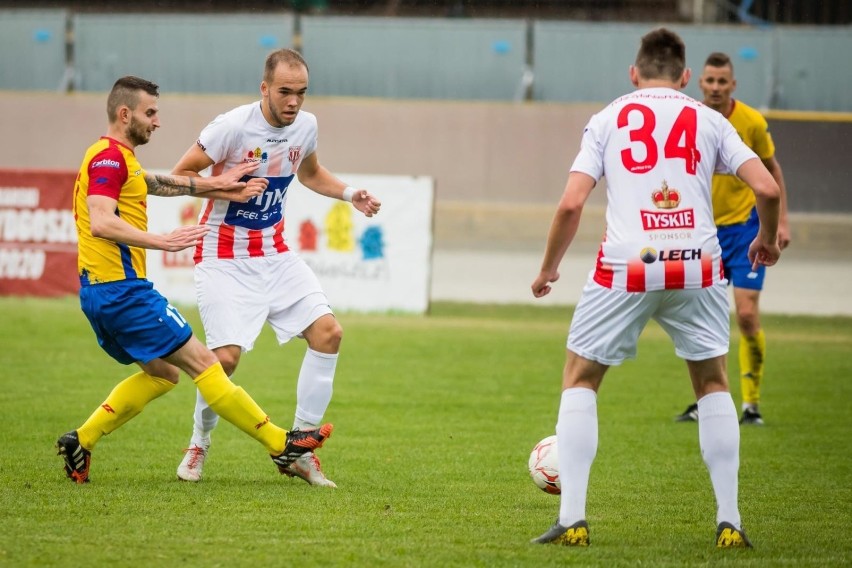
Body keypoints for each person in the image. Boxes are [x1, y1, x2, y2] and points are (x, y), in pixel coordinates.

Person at [529, 29, 780, 548]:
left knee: (580, 377)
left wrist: (549, 267)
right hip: (699, 265)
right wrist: (766, 239)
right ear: (687, 78)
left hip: (628, 265)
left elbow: (572, 203)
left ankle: (572, 519)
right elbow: (768, 187)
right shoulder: (711, 119)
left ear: (633, 73)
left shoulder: (608, 118)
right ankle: (729, 522)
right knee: (713, 384)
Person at [56, 76, 332, 484]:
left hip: (98, 295)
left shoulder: (114, 158)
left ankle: (82, 439)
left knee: (164, 375)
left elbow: (164, 183)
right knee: (208, 364)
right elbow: (100, 221)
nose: (157, 122)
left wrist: (220, 184)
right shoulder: (110, 159)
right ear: (125, 114)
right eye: (151, 113)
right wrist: (161, 240)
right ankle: (281, 445)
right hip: (123, 292)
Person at [170, 48, 381, 487]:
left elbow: (311, 174)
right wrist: (229, 186)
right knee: (223, 361)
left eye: (301, 93)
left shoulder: (306, 125)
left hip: (275, 254)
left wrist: (349, 193)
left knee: (329, 333)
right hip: (223, 256)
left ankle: (299, 451)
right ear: (264, 88)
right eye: (285, 92)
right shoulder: (230, 127)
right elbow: (178, 176)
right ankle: (199, 442)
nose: (294, 102)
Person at [675, 52, 791, 425]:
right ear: (699, 82)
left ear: (733, 85)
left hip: (745, 231)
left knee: (744, 313)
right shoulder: (690, 118)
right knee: (703, 320)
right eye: (709, 80)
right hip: (702, 231)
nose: (715, 87)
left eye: (722, 81)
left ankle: (751, 403)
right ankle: (708, 401)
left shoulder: (751, 122)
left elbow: (772, 171)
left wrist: (781, 223)